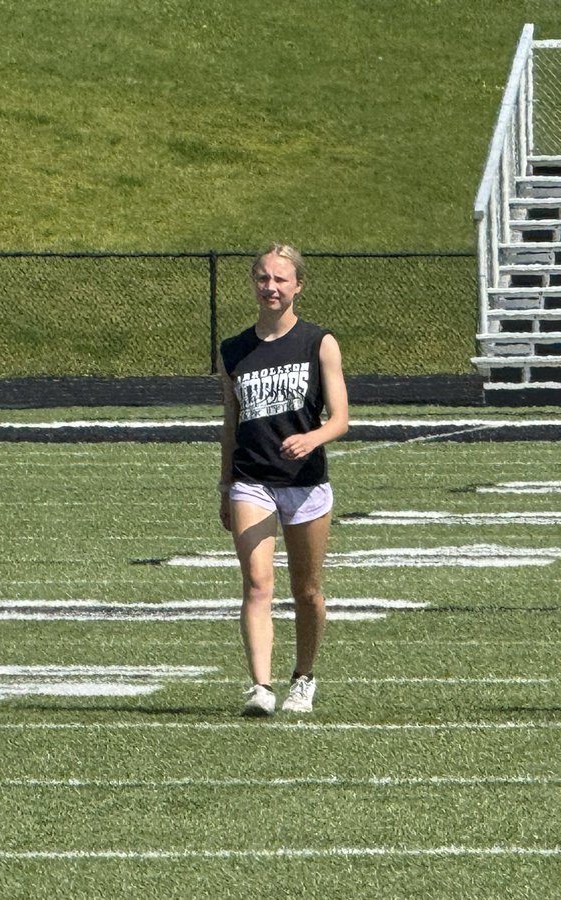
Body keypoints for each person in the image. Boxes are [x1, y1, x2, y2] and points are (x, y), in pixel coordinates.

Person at [217, 244, 349, 718]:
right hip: (252, 480)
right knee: (256, 582)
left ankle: (304, 677)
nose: (270, 287)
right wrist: (224, 484)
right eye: (262, 278)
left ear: (297, 286)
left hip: (305, 482)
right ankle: (260, 686)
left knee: (307, 588)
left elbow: (341, 419)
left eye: (280, 280)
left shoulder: (318, 342)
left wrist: (312, 438)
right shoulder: (234, 349)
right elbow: (231, 423)